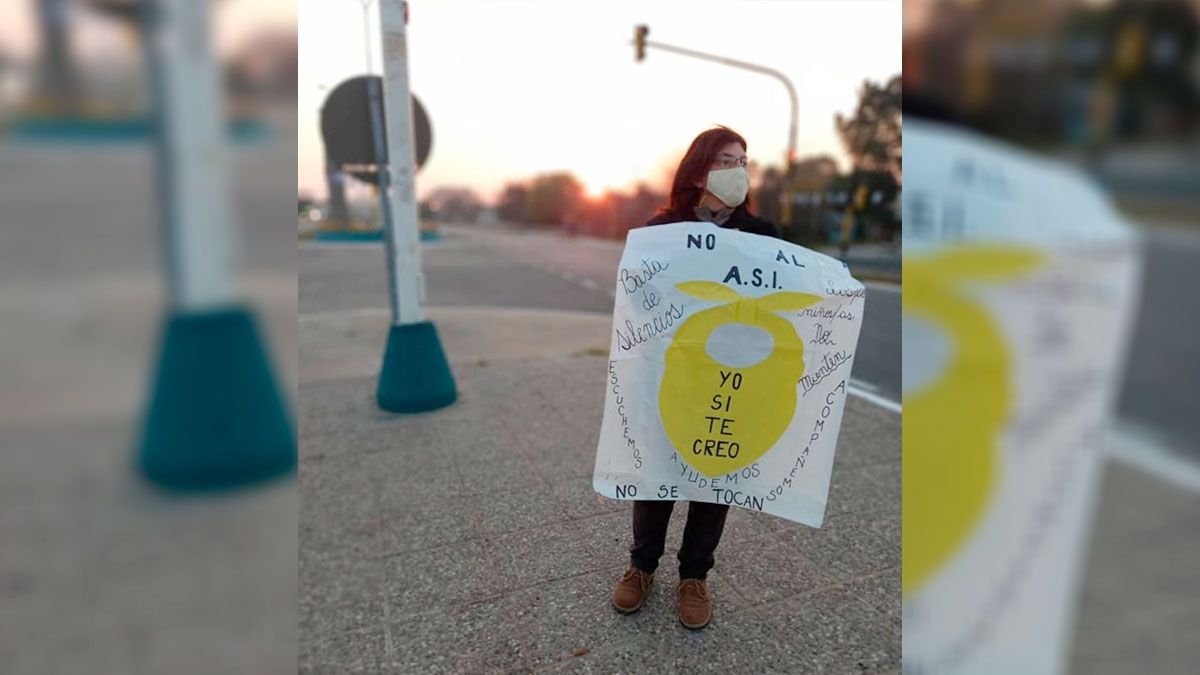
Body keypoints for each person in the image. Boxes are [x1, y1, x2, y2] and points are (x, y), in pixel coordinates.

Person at [610, 126, 782, 629]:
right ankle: (642, 566)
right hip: (670, 379)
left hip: (731, 381)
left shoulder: (763, 237)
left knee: (714, 477)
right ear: (700, 171)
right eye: (726, 160)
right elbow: (638, 299)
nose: (738, 170)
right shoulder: (662, 230)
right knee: (658, 474)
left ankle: (694, 576)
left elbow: (783, 303)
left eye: (744, 161)